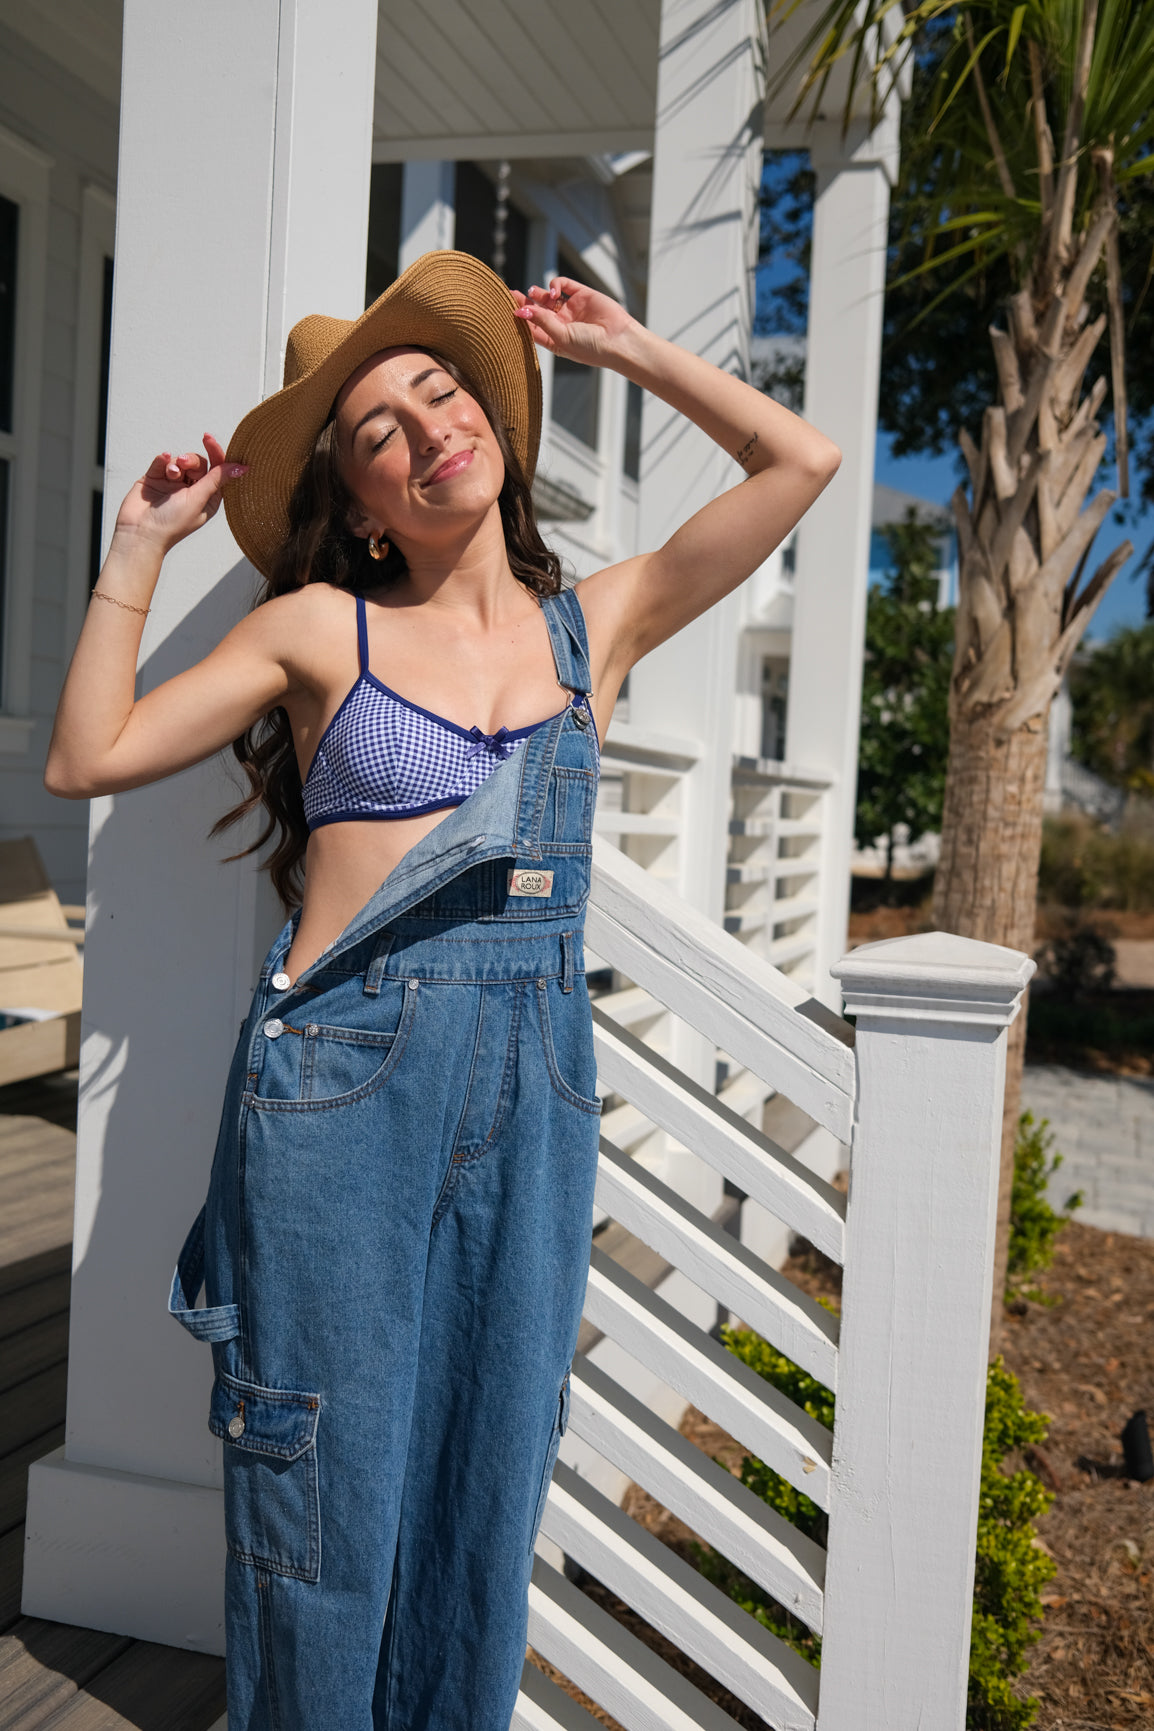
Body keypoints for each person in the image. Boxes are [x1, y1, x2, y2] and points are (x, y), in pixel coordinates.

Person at [45, 250, 839, 1731]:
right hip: (343, 1088)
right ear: (354, 503)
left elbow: (800, 457)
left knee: (485, 1470)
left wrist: (630, 351)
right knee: (323, 1475)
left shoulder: (586, 628)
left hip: (529, 1084)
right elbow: (85, 757)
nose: (428, 430)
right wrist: (141, 548)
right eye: (380, 434)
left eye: (442, 392)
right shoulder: (316, 632)